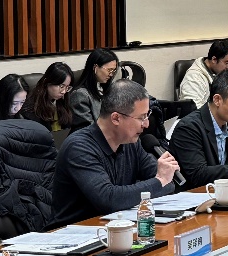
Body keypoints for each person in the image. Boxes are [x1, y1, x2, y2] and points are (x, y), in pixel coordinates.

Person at [51, 80, 181, 224]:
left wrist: (161, 180)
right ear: (116, 118)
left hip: (119, 226)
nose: (146, 124)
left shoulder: (131, 142)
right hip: (77, 231)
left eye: (147, 115)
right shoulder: (79, 147)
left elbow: (168, 182)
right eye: (141, 117)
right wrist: (159, 181)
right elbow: (109, 199)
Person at [68, 48, 119, 129]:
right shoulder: (80, 95)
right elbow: (88, 129)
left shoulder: (106, 89)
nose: (111, 74)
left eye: (113, 71)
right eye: (109, 70)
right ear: (95, 67)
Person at [179, 40, 228, 109]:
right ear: (214, 59)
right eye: (227, 63)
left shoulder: (220, 72)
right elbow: (192, 109)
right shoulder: (194, 78)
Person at [20, 62, 75, 132]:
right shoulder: (31, 108)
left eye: (67, 87)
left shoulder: (62, 100)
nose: (64, 91)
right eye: (61, 86)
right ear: (47, 82)